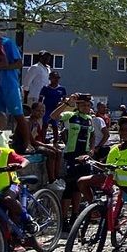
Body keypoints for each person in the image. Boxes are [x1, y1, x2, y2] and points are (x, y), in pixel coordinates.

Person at [77, 116, 127, 252]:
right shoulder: (114, 148)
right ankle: (95, 210)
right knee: (82, 182)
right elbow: (106, 167)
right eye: (122, 130)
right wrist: (89, 159)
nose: (124, 133)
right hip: (114, 179)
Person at [51, 93, 95, 226]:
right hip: (71, 155)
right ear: (78, 105)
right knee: (69, 188)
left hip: (84, 156)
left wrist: (92, 149)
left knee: (79, 188)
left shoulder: (89, 119)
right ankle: (63, 220)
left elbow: (92, 135)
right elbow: (53, 116)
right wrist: (67, 103)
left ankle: (75, 217)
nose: (86, 107)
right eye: (83, 105)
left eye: (88, 105)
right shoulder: (70, 116)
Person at [0, 19, 29, 152]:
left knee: (18, 114)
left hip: (9, 84)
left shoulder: (7, 43)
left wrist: (2, 67)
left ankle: (27, 144)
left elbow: (19, 63)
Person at [28, 102, 62, 185]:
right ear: (32, 111)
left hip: (34, 144)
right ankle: (52, 180)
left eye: (43, 111)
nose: (41, 113)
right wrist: (45, 146)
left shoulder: (37, 122)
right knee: (51, 153)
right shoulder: (28, 121)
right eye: (38, 111)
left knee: (59, 152)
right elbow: (31, 140)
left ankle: (57, 177)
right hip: (27, 146)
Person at [38, 71, 67, 146]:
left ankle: (55, 141)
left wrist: (61, 104)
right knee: (45, 125)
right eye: (54, 78)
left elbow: (64, 100)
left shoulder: (62, 89)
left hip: (55, 110)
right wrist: (40, 108)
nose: (56, 79)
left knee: (55, 126)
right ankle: (43, 141)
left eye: (58, 78)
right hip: (46, 109)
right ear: (50, 78)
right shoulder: (45, 88)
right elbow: (40, 99)